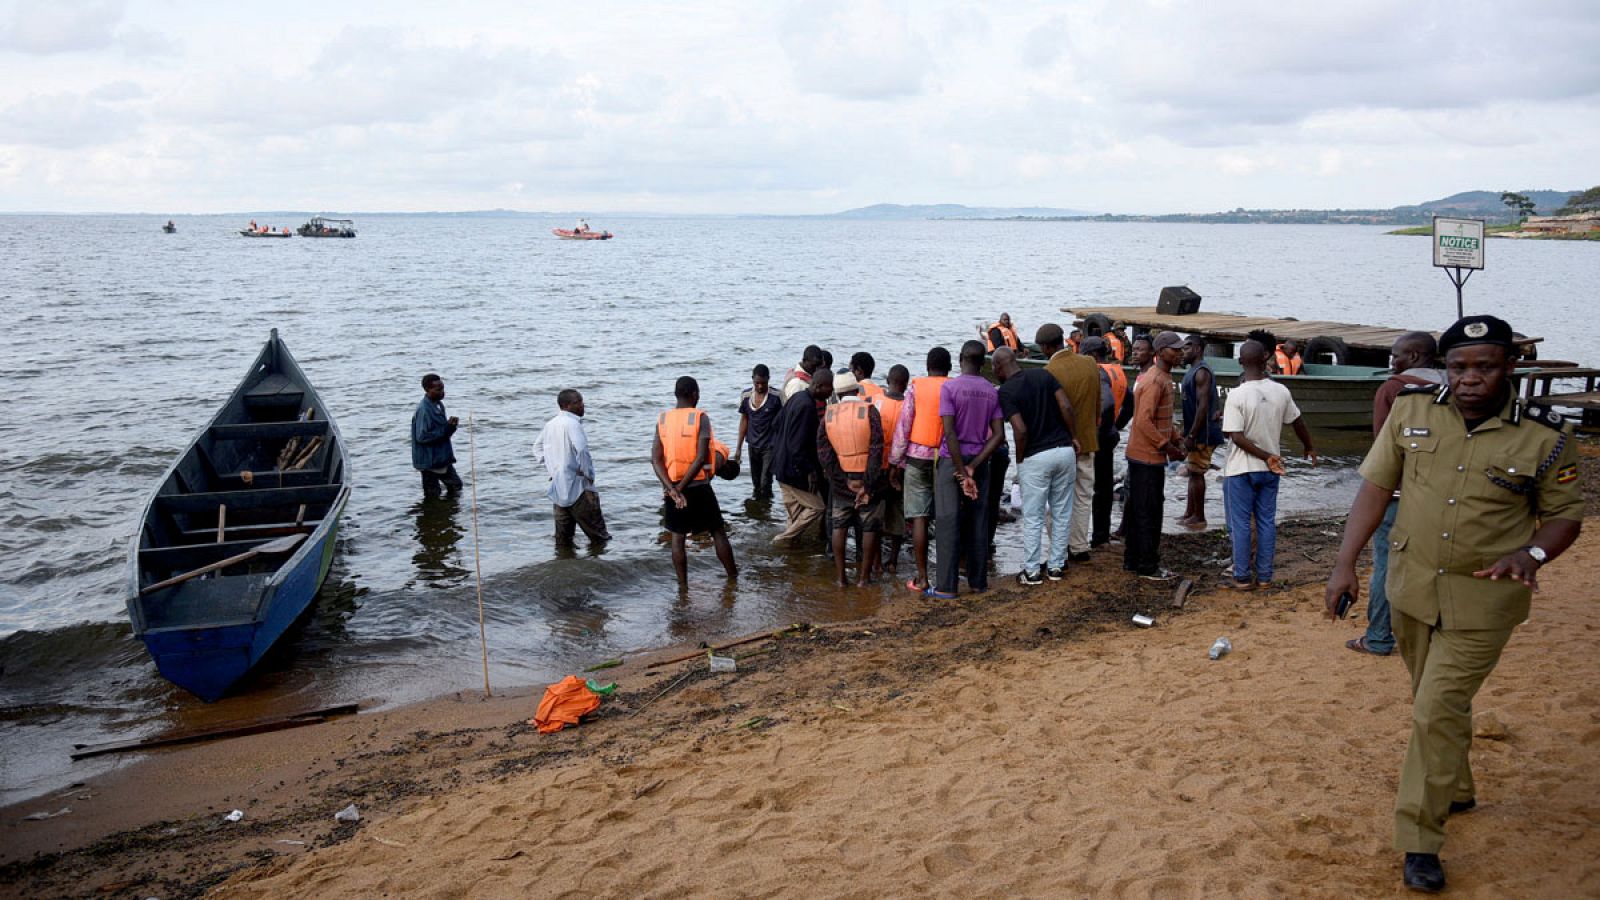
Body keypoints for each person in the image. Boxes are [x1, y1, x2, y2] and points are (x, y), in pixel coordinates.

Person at [1322, 315, 1582, 894]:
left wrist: (1533, 553)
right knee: (1431, 699)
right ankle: (1457, 787)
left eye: (1484, 366)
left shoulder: (1545, 434)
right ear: (1445, 367)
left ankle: (1420, 838)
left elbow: (1565, 514)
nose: (1469, 378)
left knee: (1435, 707)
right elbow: (1376, 488)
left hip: (1484, 599)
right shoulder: (1411, 411)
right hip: (1411, 588)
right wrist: (1345, 564)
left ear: (1509, 366)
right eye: (1459, 366)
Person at [1350, 332, 1446, 656]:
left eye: (1397, 355)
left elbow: (1384, 448)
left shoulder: (1393, 389)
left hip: (1397, 495)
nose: (1392, 361)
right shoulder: (1454, 386)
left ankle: (1378, 637)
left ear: (1415, 356)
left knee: (1386, 563)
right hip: (1440, 496)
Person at [1218, 340, 1316, 589]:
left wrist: (1264, 456)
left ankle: (1241, 575)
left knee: (1241, 523)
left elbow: (1236, 436)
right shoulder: (1280, 391)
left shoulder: (1237, 394)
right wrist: (1308, 446)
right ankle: (1264, 576)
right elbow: (1297, 421)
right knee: (1265, 521)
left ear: (1240, 362)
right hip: (1270, 470)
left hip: (1242, 469)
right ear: (1266, 359)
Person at [993, 348, 1077, 584]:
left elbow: (1020, 430)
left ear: (999, 368)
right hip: (1064, 451)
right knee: (1061, 512)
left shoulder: (1006, 391)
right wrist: (1074, 436)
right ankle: (1056, 566)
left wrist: (1021, 459)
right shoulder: (1043, 374)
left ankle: (1032, 571)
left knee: (1033, 516)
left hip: (1036, 456)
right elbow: (1066, 406)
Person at [932, 341, 1005, 597]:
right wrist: (973, 467)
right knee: (978, 520)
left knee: (947, 520)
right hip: (980, 461)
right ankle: (978, 582)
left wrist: (962, 471)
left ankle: (946, 587)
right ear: (983, 363)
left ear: (960, 358)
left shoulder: (950, 388)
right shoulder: (991, 391)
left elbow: (950, 432)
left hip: (951, 461)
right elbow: (998, 435)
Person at [651, 376, 737, 585]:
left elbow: (655, 459)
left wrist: (672, 490)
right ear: (695, 394)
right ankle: (733, 578)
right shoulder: (700, 417)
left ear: (676, 394)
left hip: (673, 487)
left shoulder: (663, 419)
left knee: (678, 538)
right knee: (717, 531)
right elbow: (700, 458)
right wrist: (681, 488)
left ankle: (683, 588)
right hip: (698, 486)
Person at [890, 347, 952, 592]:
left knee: (919, 518)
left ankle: (923, 577)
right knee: (947, 515)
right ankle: (949, 573)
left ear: (927, 367)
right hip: (946, 459)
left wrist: (895, 463)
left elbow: (904, 427)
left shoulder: (916, 388)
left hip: (917, 458)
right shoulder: (953, 387)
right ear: (949, 367)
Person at [1123, 332, 1184, 579]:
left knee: (1140, 509)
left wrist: (1176, 437)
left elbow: (1161, 418)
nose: (1179, 353)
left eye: (1180, 349)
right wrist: (1167, 447)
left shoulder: (1162, 377)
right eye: (1174, 349)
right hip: (1146, 457)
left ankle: (1132, 560)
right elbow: (1143, 421)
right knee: (1149, 512)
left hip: (1147, 455)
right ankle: (1147, 566)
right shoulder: (1155, 381)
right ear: (1160, 352)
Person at [1041, 324, 1101, 564]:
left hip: (1060, 445)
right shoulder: (1089, 363)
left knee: (1056, 499)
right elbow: (1097, 405)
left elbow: (1049, 414)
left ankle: (1060, 547)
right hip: (1087, 441)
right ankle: (1079, 546)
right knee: (1083, 496)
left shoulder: (1048, 372)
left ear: (1045, 347)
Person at [817, 372, 885, 586]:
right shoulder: (870, 411)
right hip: (867, 481)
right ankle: (864, 578)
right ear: (857, 390)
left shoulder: (828, 415)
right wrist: (867, 485)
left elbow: (824, 453)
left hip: (841, 483)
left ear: (837, 394)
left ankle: (841, 578)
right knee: (869, 527)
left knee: (839, 526)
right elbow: (876, 450)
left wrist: (841, 480)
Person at [537, 389, 610, 546]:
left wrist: (552, 468)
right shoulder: (572, 424)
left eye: (581, 401)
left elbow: (537, 448)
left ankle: (566, 560)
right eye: (578, 402)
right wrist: (588, 474)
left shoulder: (551, 424)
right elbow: (582, 450)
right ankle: (599, 559)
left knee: (563, 541)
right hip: (579, 488)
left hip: (559, 487)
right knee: (599, 537)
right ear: (566, 405)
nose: (583, 405)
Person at [772, 368, 833, 544]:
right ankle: (782, 540)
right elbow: (797, 447)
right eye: (829, 389)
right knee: (817, 507)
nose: (830, 394)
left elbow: (776, 423)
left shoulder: (797, 398)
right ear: (819, 386)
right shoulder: (807, 406)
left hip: (780, 465)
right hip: (793, 471)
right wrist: (811, 472)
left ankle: (790, 550)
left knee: (795, 516)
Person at [1083, 337, 1133, 547]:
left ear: (1092, 355)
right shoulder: (1116, 371)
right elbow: (1130, 404)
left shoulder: (1098, 373)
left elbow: (1107, 403)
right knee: (1104, 488)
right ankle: (1101, 535)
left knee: (1094, 489)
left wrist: (1101, 430)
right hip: (1109, 435)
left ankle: (1097, 536)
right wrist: (1117, 426)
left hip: (1099, 437)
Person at [1177, 335, 1224, 529]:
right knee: (1192, 471)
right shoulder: (1192, 371)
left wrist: (1192, 435)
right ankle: (1189, 513)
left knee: (1197, 473)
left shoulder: (1202, 372)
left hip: (1204, 433)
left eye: (1187, 348)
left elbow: (1203, 407)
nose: (1183, 352)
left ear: (1197, 349)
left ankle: (1199, 516)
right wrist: (1184, 431)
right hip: (1196, 431)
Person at [873, 364, 910, 575]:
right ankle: (893, 561)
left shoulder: (876, 402)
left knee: (876, 516)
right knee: (897, 515)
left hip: (878, 467)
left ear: (888, 381)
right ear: (905, 384)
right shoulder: (909, 406)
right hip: (900, 470)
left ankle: (877, 561)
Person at [412, 373, 462, 499]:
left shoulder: (438, 404)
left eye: (443, 388)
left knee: (456, 486)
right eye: (438, 390)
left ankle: (448, 510)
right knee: (432, 495)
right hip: (430, 461)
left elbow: (441, 432)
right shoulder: (424, 410)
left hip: (441, 458)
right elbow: (422, 437)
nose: (442, 392)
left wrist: (450, 427)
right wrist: (446, 429)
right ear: (427, 389)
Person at [735, 364, 781, 501]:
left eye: (763, 383)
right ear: (752, 380)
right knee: (756, 482)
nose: (760, 386)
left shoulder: (776, 396)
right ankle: (758, 507)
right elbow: (744, 420)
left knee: (765, 481)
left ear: (768, 379)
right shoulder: (746, 396)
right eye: (757, 383)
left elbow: (784, 420)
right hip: (753, 444)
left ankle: (766, 506)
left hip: (770, 446)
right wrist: (738, 448)